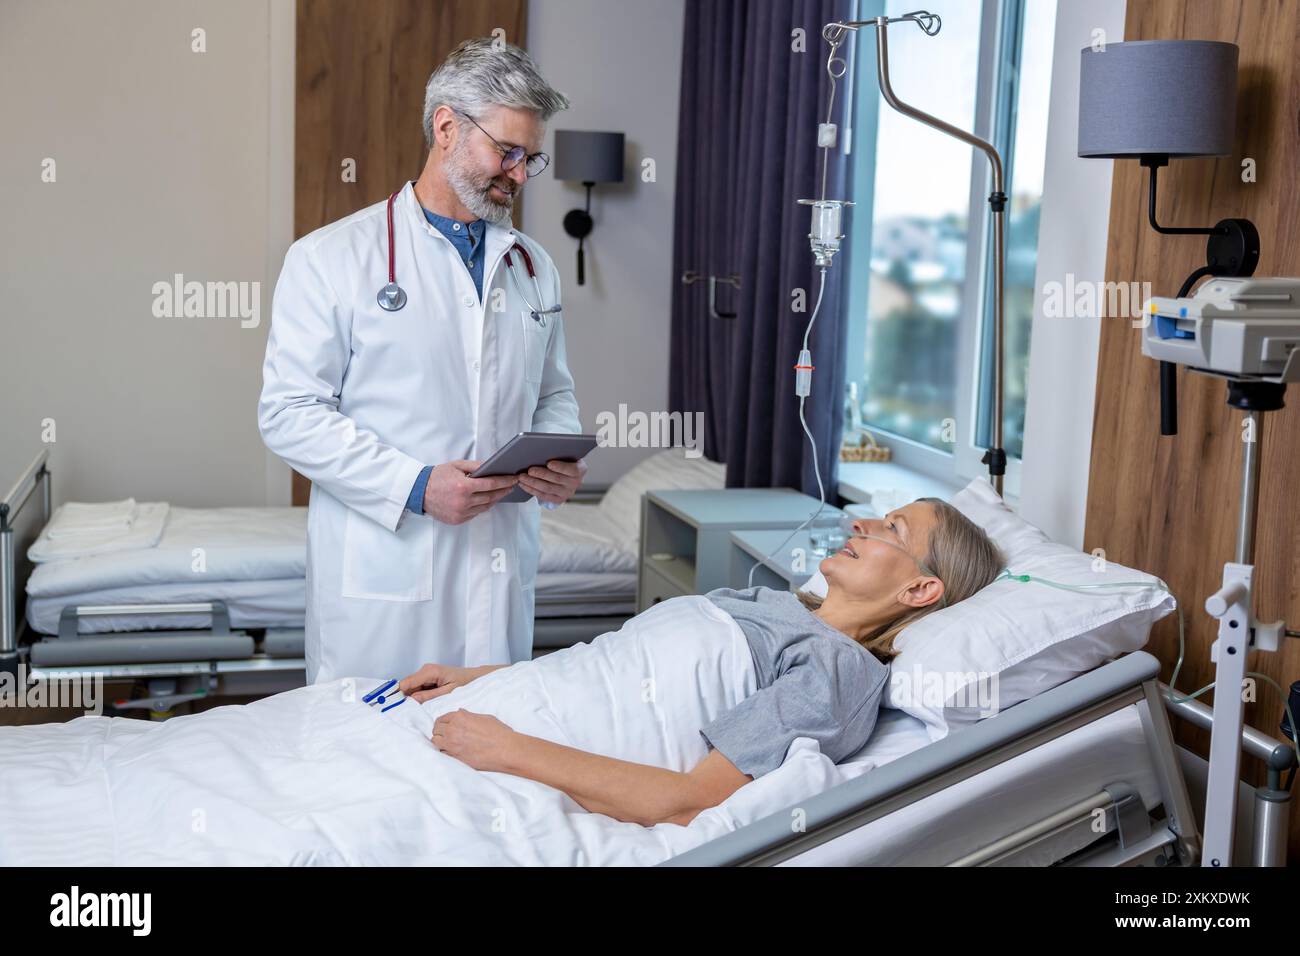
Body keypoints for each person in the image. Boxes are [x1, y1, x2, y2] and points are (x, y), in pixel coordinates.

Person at [259, 38, 584, 684]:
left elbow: (553, 393)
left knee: (491, 766)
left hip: (498, 571)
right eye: (507, 152)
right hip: (386, 581)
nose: (519, 174)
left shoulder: (533, 268)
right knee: (368, 766)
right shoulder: (329, 260)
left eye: (531, 159)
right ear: (445, 128)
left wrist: (559, 463)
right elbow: (287, 414)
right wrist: (415, 485)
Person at [399, 500, 1004, 826]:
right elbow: (616, 663)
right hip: (489, 711)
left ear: (921, 592)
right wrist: (489, 676)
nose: (861, 523)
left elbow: (688, 802)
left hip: (503, 753)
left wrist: (507, 749)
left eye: (889, 528)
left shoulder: (835, 671)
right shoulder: (773, 602)